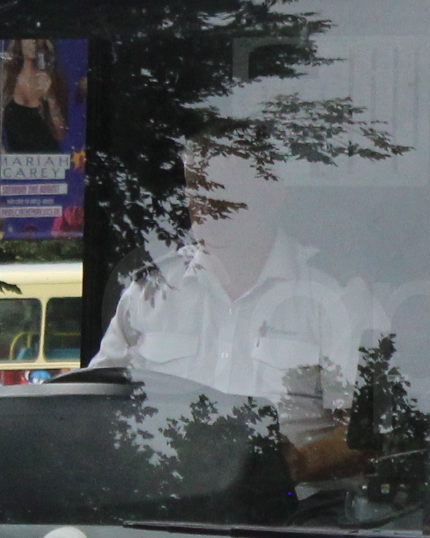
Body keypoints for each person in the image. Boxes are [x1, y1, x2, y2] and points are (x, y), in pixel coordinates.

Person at [90, 153, 389, 454]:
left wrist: (287, 469)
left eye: (222, 188)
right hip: (163, 493)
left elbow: (367, 439)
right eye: (197, 189)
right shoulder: (150, 294)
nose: (207, 204)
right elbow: (93, 406)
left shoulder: (336, 297)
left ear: (272, 192)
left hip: (291, 498)